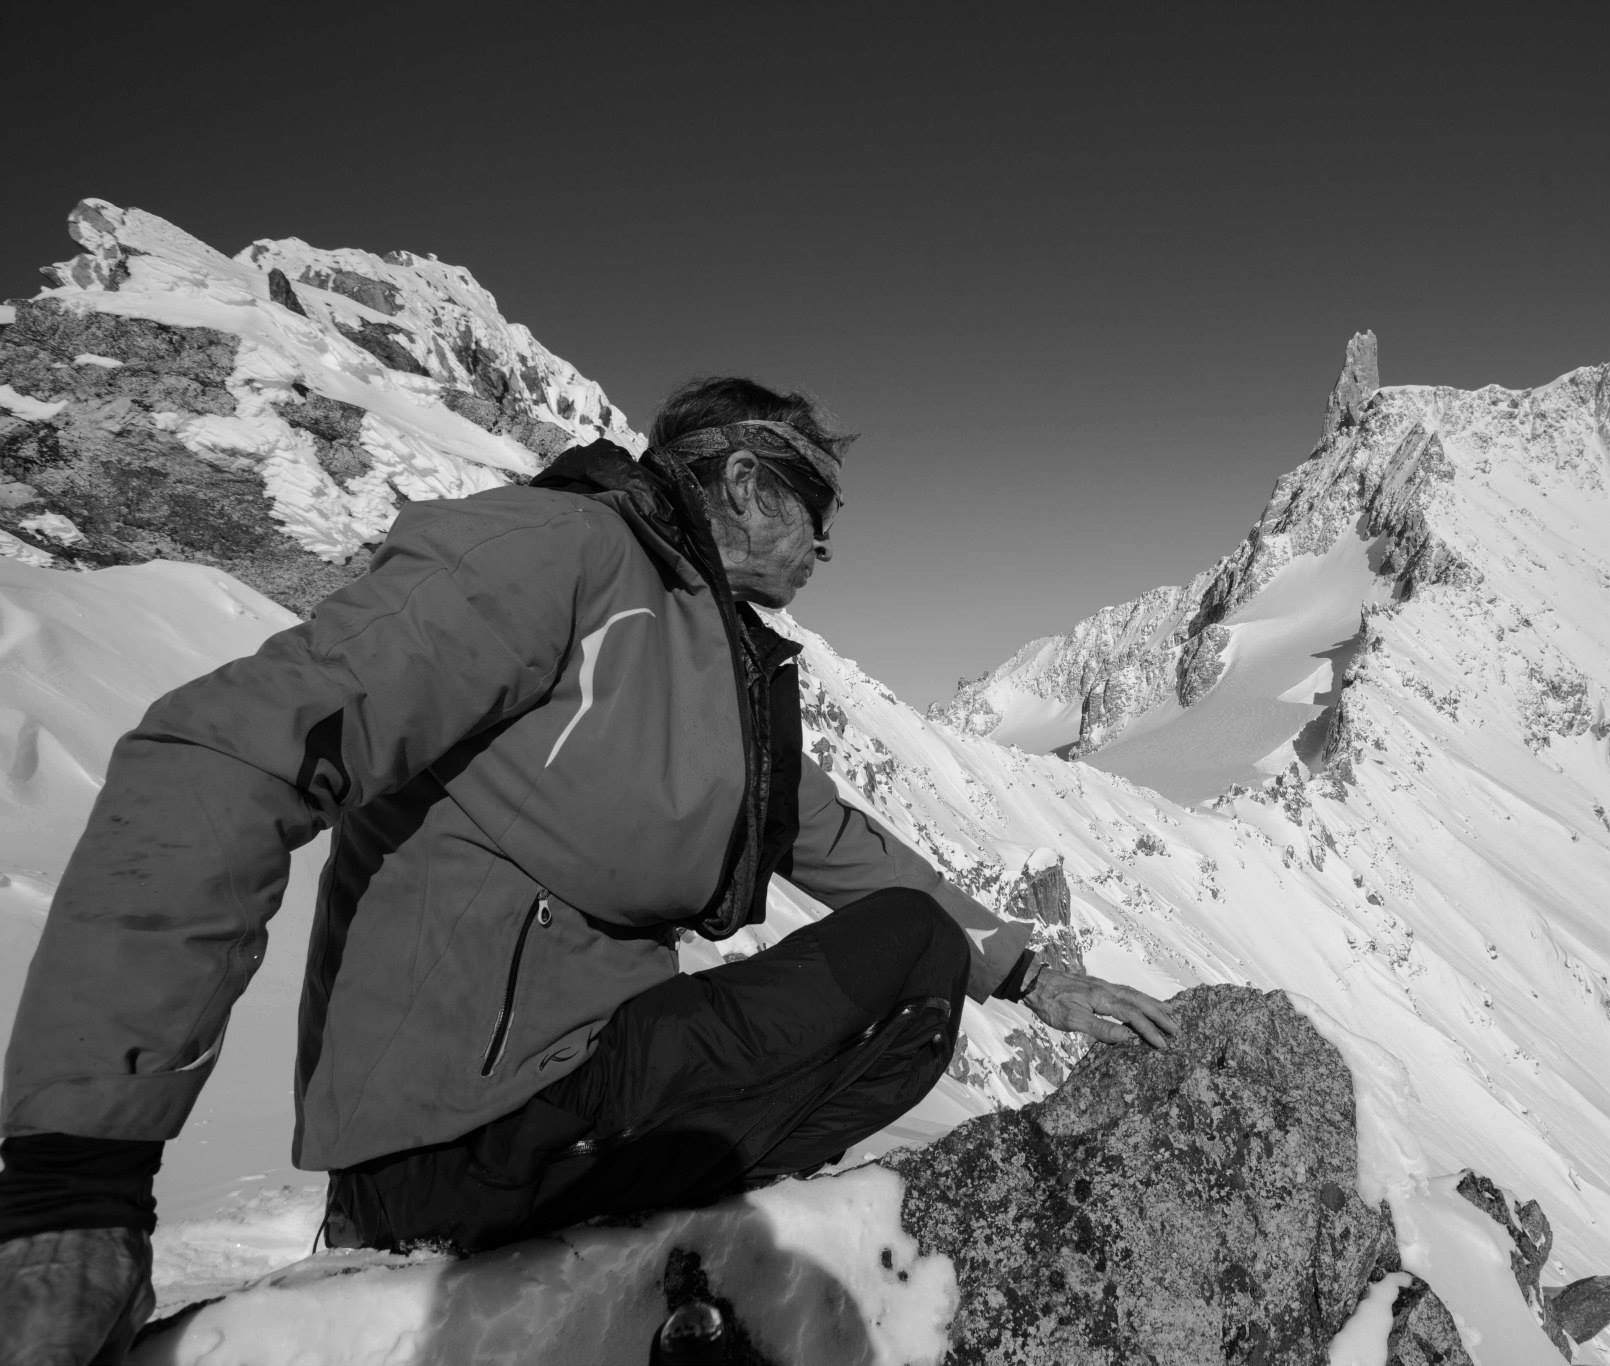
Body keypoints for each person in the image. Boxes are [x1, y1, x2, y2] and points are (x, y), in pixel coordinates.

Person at [0, 377, 1180, 1364]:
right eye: (817, 507)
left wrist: (1030, 976)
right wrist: (73, 1190)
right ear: (746, 483)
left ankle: (669, 1241)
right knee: (908, 956)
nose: (827, 543)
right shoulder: (553, 555)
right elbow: (220, 756)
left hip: (567, 1094)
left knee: (911, 983)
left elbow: (832, 837)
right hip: (460, 1126)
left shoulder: (703, 644)